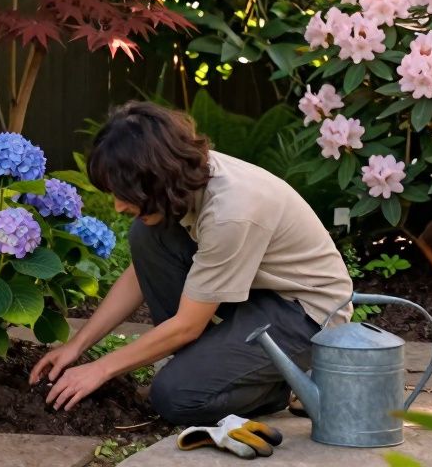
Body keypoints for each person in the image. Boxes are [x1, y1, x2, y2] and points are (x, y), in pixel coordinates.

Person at [31, 101, 353, 426]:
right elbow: (139, 276)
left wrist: (101, 368)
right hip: (257, 293)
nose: (117, 205)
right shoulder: (185, 178)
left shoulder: (231, 211)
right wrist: (77, 346)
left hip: (305, 315)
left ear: (159, 176)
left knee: (175, 397)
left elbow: (188, 325)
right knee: (146, 234)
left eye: (125, 193)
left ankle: (280, 385)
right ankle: (208, 367)